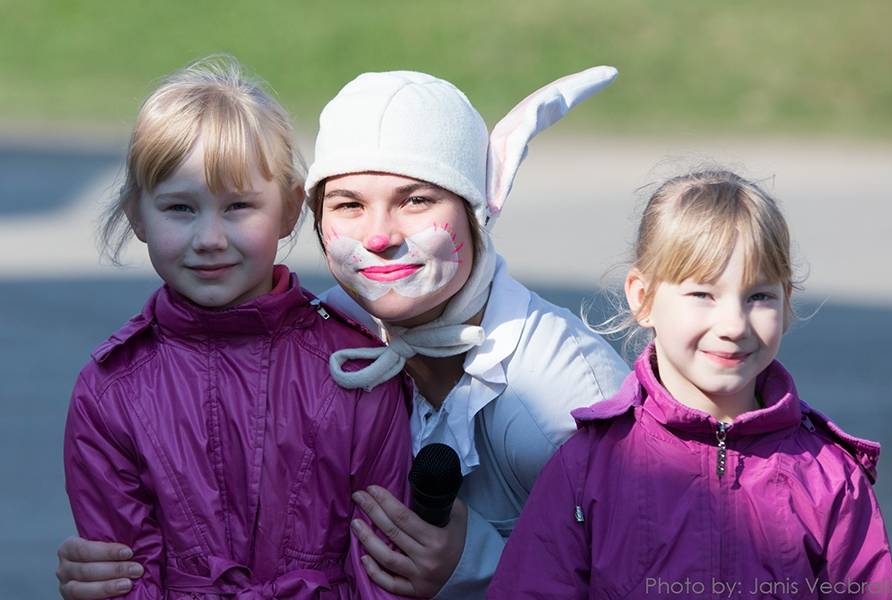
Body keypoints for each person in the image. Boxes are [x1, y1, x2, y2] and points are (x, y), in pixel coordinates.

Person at [57, 68, 631, 599]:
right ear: (312, 217)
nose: (378, 236)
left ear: (480, 207)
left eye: (417, 199)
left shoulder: (559, 391)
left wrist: (471, 560)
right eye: (349, 204)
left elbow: (641, 568)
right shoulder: (351, 343)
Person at [62, 55, 412, 599]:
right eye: (180, 208)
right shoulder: (112, 391)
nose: (209, 238)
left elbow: (385, 574)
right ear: (136, 215)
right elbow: (125, 578)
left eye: (239, 206)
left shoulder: (358, 372)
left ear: (292, 209)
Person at [487, 170, 892, 599]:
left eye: (759, 296)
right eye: (703, 294)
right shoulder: (589, 467)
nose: (734, 325)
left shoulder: (829, 476)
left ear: (787, 300)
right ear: (642, 297)